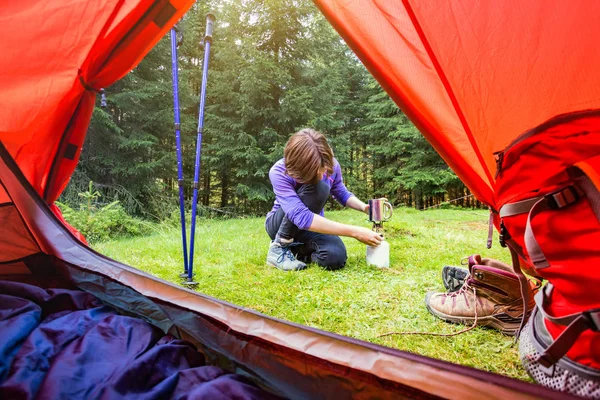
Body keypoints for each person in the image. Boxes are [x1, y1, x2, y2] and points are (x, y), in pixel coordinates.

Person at [265, 128, 383, 271]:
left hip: (311, 225)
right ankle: (279, 247)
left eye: (323, 170)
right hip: (279, 224)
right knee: (319, 188)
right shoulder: (278, 171)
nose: (322, 176)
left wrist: (364, 208)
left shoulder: (330, 164)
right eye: (315, 172)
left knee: (334, 258)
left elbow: (340, 192)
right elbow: (300, 215)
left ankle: (296, 253)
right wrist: (355, 232)